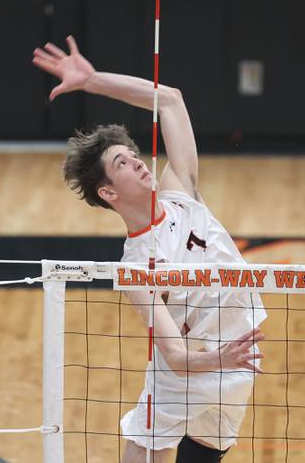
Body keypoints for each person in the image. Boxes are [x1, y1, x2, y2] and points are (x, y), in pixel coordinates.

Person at [33, 36, 266, 463]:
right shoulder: (136, 268)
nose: (139, 162)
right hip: (199, 363)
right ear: (109, 193)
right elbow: (175, 357)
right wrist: (222, 357)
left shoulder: (181, 193)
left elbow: (172, 101)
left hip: (237, 360)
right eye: (122, 163)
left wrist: (92, 80)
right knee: (144, 450)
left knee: (206, 452)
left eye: (134, 154)